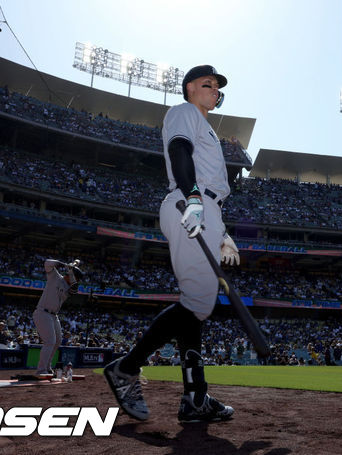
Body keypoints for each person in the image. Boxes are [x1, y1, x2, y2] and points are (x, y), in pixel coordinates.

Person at [104, 65, 237, 423]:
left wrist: (221, 233)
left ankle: (195, 396)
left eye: (217, 87)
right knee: (196, 302)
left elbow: (207, 177)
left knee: (195, 307)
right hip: (190, 203)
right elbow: (179, 150)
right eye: (207, 84)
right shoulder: (184, 112)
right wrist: (193, 198)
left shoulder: (205, 124)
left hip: (206, 208)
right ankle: (127, 367)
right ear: (189, 88)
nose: (215, 90)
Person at [32, 258, 83, 377]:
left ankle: (48, 367)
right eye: (76, 278)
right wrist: (63, 264)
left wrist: (71, 270)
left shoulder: (69, 287)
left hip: (53, 316)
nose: (76, 281)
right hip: (42, 312)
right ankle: (41, 370)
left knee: (57, 341)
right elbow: (47, 263)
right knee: (50, 341)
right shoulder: (55, 277)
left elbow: (74, 289)